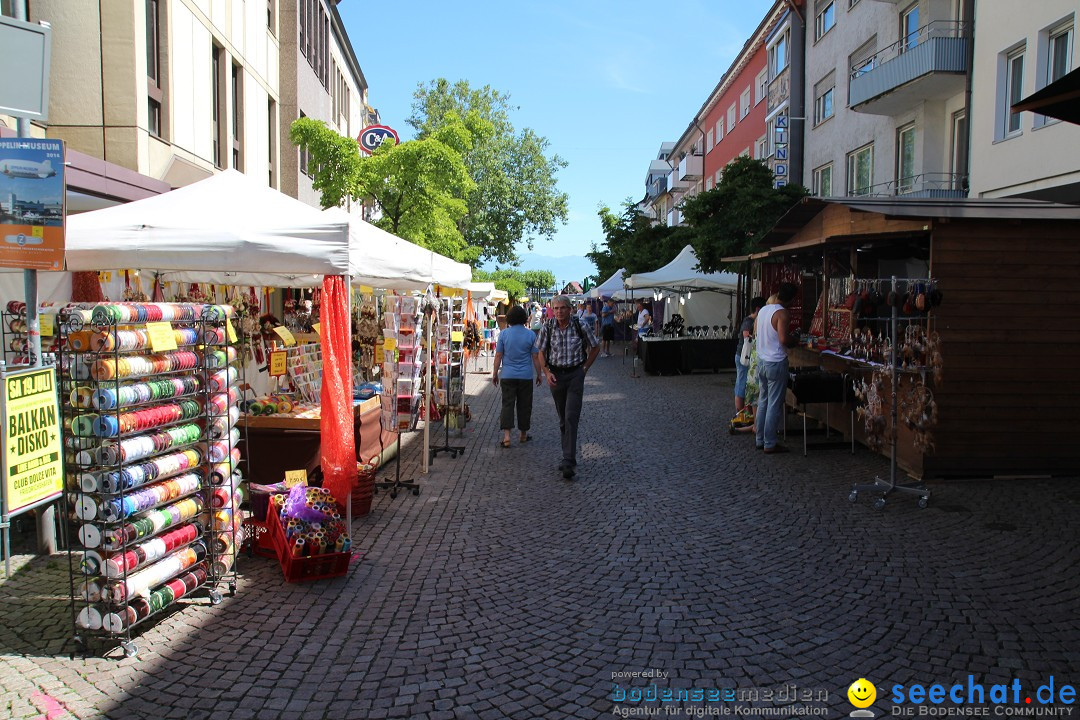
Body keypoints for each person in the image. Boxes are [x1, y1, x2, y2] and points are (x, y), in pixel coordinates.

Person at [534, 295, 601, 479]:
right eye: (556, 308)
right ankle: (568, 454)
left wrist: (585, 368)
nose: (559, 311)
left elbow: (595, 347)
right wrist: (546, 372)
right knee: (563, 418)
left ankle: (568, 459)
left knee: (571, 415)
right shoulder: (548, 327)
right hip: (556, 375)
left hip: (574, 375)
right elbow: (540, 352)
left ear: (570, 309)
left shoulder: (581, 325)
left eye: (562, 308)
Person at [755, 283, 800, 454]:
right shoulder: (782, 313)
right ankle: (770, 442)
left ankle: (760, 439)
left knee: (763, 401)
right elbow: (783, 339)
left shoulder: (764, 310)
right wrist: (794, 340)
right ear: (792, 299)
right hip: (775, 361)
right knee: (774, 404)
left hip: (761, 360)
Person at [492, 305, 539, 448]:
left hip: (507, 375)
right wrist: (539, 374)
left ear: (510, 318)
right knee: (525, 405)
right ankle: (523, 434)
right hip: (525, 376)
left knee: (507, 404)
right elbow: (535, 356)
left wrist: (494, 373)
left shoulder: (504, 334)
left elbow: (499, 355)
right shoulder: (531, 334)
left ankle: (506, 437)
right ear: (524, 318)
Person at [735, 297, 767, 414]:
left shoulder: (751, 320)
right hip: (743, 357)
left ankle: (746, 413)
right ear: (758, 309)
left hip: (745, 356)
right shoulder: (749, 320)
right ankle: (740, 413)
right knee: (742, 384)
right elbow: (746, 335)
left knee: (746, 384)